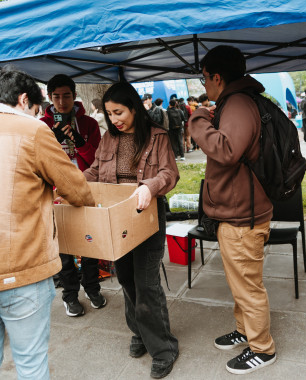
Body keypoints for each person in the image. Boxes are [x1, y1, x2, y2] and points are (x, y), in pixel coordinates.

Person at [0, 67, 95, 379]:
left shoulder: (86, 123)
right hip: (20, 268)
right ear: (25, 99)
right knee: (30, 363)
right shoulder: (32, 129)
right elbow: (77, 189)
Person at [188, 45, 276, 375]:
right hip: (238, 212)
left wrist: (197, 119)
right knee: (240, 283)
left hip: (243, 216)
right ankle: (245, 330)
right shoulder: (238, 100)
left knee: (249, 288)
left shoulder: (238, 103)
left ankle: (262, 348)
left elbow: (226, 150)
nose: (204, 84)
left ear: (217, 77)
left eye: (205, 78)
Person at [83, 81, 179, 379]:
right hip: (117, 219)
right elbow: (96, 172)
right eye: (109, 114)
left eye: (119, 112)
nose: (114, 119)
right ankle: (139, 332)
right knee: (124, 276)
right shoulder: (108, 139)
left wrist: (149, 187)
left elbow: (169, 173)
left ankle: (163, 348)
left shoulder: (157, 136)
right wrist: (73, 182)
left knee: (147, 282)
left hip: (147, 216)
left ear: (135, 108)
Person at [41, 74, 105, 317]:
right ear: (49, 97)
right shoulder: (41, 125)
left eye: (66, 95)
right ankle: (70, 294)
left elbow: (98, 160)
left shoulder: (88, 123)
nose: (61, 101)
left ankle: (92, 287)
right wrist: (54, 143)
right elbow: (40, 162)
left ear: (74, 95)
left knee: (91, 240)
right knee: (64, 245)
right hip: (56, 193)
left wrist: (79, 142)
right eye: (56, 96)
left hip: (86, 188)